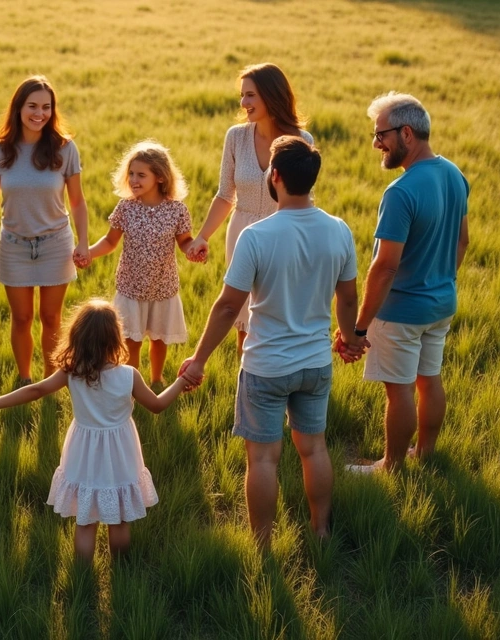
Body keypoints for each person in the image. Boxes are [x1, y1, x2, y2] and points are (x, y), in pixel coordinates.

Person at [181, 136, 364, 550]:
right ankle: (320, 531)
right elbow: (348, 296)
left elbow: (229, 307)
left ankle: (262, 545)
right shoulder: (338, 230)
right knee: (314, 449)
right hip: (315, 363)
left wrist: (198, 359)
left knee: (263, 459)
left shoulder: (256, 236)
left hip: (266, 366)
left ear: (274, 176)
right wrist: (350, 337)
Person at [0, 299, 188, 562]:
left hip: (83, 450)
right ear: (115, 338)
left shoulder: (72, 372)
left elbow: (36, 389)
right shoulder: (129, 375)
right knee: (119, 518)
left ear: (77, 337)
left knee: (85, 521)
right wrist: (181, 382)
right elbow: (157, 405)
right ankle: (121, 569)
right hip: (121, 451)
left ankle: (82, 574)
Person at [343, 92, 470, 474]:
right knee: (428, 381)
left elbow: (384, 268)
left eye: (381, 134)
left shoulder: (400, 192)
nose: (376, 143)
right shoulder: (453, 173)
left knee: (398, 391)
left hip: (400, 313)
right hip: (441, 303)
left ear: (407, 133)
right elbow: (463, 241)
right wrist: (440, 279)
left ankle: (392, 466)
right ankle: (425, 453)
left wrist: (358, 327)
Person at [0, 76, 90, 387]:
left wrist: (84, 242)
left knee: (51, 318)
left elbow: (77, 201)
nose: (40, 113)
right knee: (21, 319)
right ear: (18, 108)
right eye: (32, 106)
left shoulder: (65, 148)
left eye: (46, 107)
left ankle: (50, 382)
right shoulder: (0, 151)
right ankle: (25, 381)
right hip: (14, 244)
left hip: (55, 243)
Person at [186, 63, 315, 354]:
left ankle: (281, 378)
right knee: (241, 313)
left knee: (278, 314)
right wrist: (203, 237)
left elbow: (305, 200)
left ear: (271, 95)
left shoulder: (302, 141)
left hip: (284, 235)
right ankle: (249, 381)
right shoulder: (236, 137)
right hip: (242, 233)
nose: (243, 103)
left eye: (250, 95)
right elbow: (224, 195)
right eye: (242, 95)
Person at [88, 140, 195, 385]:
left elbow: (185, 241)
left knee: (159, 339)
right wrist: (90, 253)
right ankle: (132, 383)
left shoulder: (177, 210)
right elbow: (110, 241)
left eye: (141, 175)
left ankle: (157, 380)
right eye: (131, 174)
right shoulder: (126, 207)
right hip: (131, 286)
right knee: (131, 341)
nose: (134, 180)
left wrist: (194, 250)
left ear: (159, 177)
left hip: (162, 287)